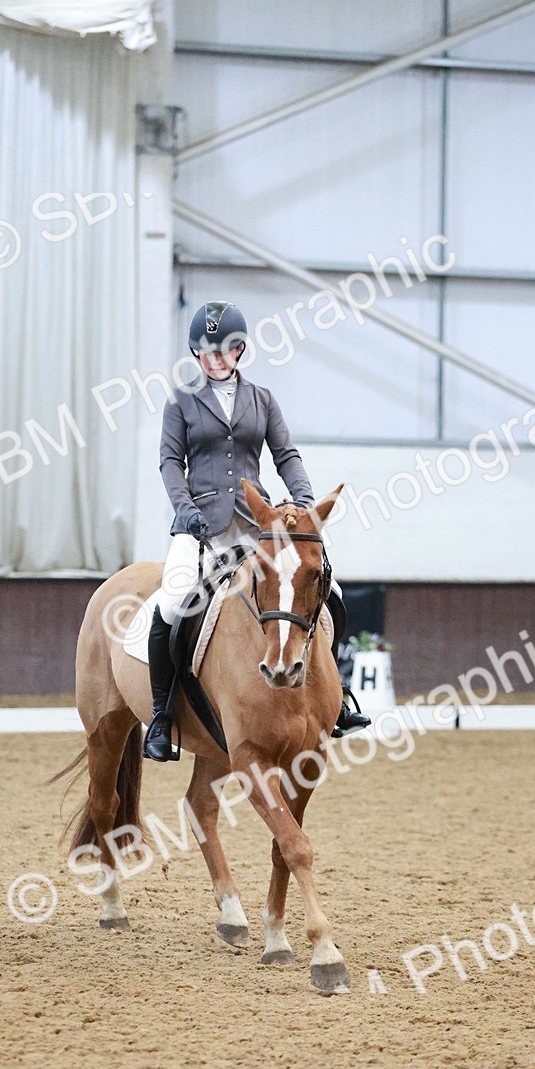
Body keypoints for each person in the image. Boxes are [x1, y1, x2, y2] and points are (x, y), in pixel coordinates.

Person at [142, 300, 370, 762]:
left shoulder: (262, 399)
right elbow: (170, 461)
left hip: (256, 525)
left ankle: (337, 698)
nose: (216, 359)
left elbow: (286, 455)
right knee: (172, 602)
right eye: (206, 352)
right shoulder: (180, 401)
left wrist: (303, 505)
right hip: (200, 523)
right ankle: (162, 716)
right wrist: (185, 510)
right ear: (196, 354)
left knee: (332, 593)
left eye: (226, 350)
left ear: (240, 350)